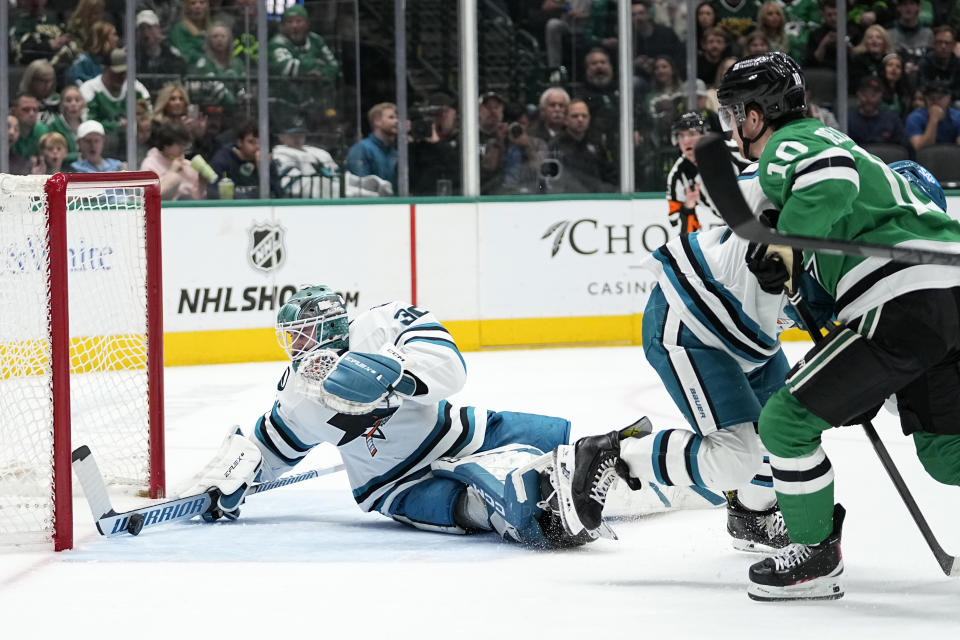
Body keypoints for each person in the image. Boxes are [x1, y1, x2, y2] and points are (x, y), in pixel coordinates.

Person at [177, 286, 597, 548]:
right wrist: (233, 479)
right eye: (291, 337)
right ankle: (513, 510)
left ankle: (608, 467)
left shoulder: (382, 324)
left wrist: (393, 376)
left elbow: (451, 369)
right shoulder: (298, 395)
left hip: (456, 433)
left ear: (332, 328)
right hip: (396, 484)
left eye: (303, 334)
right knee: (463, 505)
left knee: (561, 439)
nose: (296, 346)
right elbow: (269, 448)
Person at [268, 4, 341, 112]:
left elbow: (334, 66)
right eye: (289, 22)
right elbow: (285, 67)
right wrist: (314, 62)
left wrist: (321, 74)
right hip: (284, 101)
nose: (294, 26)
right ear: (283, 25)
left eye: (298, 21)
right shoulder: (277, 42)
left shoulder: (316, 40)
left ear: (307, 24)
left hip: (316, 101)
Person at [664, 112, 723, 234]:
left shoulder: (731, 153)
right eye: (681, 136)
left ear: (705, 135)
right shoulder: (677, 176)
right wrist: (688, 207)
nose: (686, 141)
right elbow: (675, 223)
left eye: (691, 134)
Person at [546, 99, 616, 193]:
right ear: (566, 120)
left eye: (584, 116)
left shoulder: (597, 142)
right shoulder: (555, 145)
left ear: (589, 119)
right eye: (575, 116)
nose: (580, 119)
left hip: (597, 198)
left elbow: (609, 173)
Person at [79, 49, 152, 136]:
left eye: (126, 72)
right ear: (105, 69)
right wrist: (116, 125)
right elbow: (87, 123)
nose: (122, 76)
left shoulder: (136, 88)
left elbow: (149, 116)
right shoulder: (89, 89)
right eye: (118, 73)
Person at [209, 119, 280, 198]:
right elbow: (213, 193)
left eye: (261, 142)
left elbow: (278, 196)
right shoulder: (222, 160)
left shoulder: (266, 161)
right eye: (251, 142)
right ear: (239, 143)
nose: (257, 147)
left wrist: (263, 172)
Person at [139, 119, 207, 200]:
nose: (183, 149)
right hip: (162, 210)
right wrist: (172, 171)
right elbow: (148, 196)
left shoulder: (187, 165)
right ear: (166, 144)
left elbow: (197, 199)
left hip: (188, 209)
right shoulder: (150, 164)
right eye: (179, 145)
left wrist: (202, 182)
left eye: (185, 144)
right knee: (174, 178)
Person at [410, 92, 461, 196]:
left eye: (445, 111)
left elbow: (462, 171)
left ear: (454, 113)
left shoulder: (464, 139)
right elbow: (406, 178)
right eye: (435, 113)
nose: (442, 116)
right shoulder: (419, 142)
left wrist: (438, 143)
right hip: (424, 199)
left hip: (455, 200)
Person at [346, 103, 399, 196]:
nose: (396, 121)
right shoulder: (361, 149)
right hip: (370, 206)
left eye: (397, 117)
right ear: (377, 121)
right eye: (391, 117)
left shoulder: (395, 151)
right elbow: (362, 187)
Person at [135, 9, 188, 94]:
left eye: (149, 27)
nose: (145, 32)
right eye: (142, 28)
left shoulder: (172, 55)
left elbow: (179, 78)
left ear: (158, 29)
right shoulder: (132, 56)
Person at [847, 76, 907, 147]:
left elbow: (904, 148)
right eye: (865, 94)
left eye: (873, 95)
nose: (868, 99)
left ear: (881, 96)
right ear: (858, 94)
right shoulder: (847, 119)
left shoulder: (893, 120)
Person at [905, 80, 960, 151]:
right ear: (926, 99)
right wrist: (933, 119)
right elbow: (920, 148)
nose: (936, 102)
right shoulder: (914, 117)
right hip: (923, 160)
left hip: (951, 158)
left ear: (948, 97)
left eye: (940, 98)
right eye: (931, 98)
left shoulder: (958, 116)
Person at [67, 20, 119, 87]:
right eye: (114, 34)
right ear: (103, 37)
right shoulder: (83, 60)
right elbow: (77, 83)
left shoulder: (114, 59)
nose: (117, 39)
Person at [916, 26, 960, 103]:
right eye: (940, 42)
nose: (943, 46)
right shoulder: (925, 63)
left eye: (947, 43)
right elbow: (922, 87)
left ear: (954, 45)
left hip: (952, 102)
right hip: (929, 101)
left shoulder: (958, 64)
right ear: (934, 44)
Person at [47, 85, 85, 165]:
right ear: (62, 105)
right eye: (68, 100)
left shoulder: (89, 124)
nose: (73, 104)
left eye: (77, 100)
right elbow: (53, 155)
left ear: (83, 104)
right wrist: (80, 156)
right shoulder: (54, 125)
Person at [18, 59, 60, 125]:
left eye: (50, 80)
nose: (47, 85)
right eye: (43, 81)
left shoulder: (59, 101)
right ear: (31, 80)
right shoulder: (21, 103)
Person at [169, 0, 211, 67]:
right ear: (186, 8)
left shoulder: (213, 29)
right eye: (193, 3)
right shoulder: (179, 29)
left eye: (202, 2)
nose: (198, 6)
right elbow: (185, 53)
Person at [10, 94, 49, 161]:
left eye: (35, 110)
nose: (32, 114)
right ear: (13, 111)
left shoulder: (42, 130)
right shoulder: (6, 131)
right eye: (26, 109)